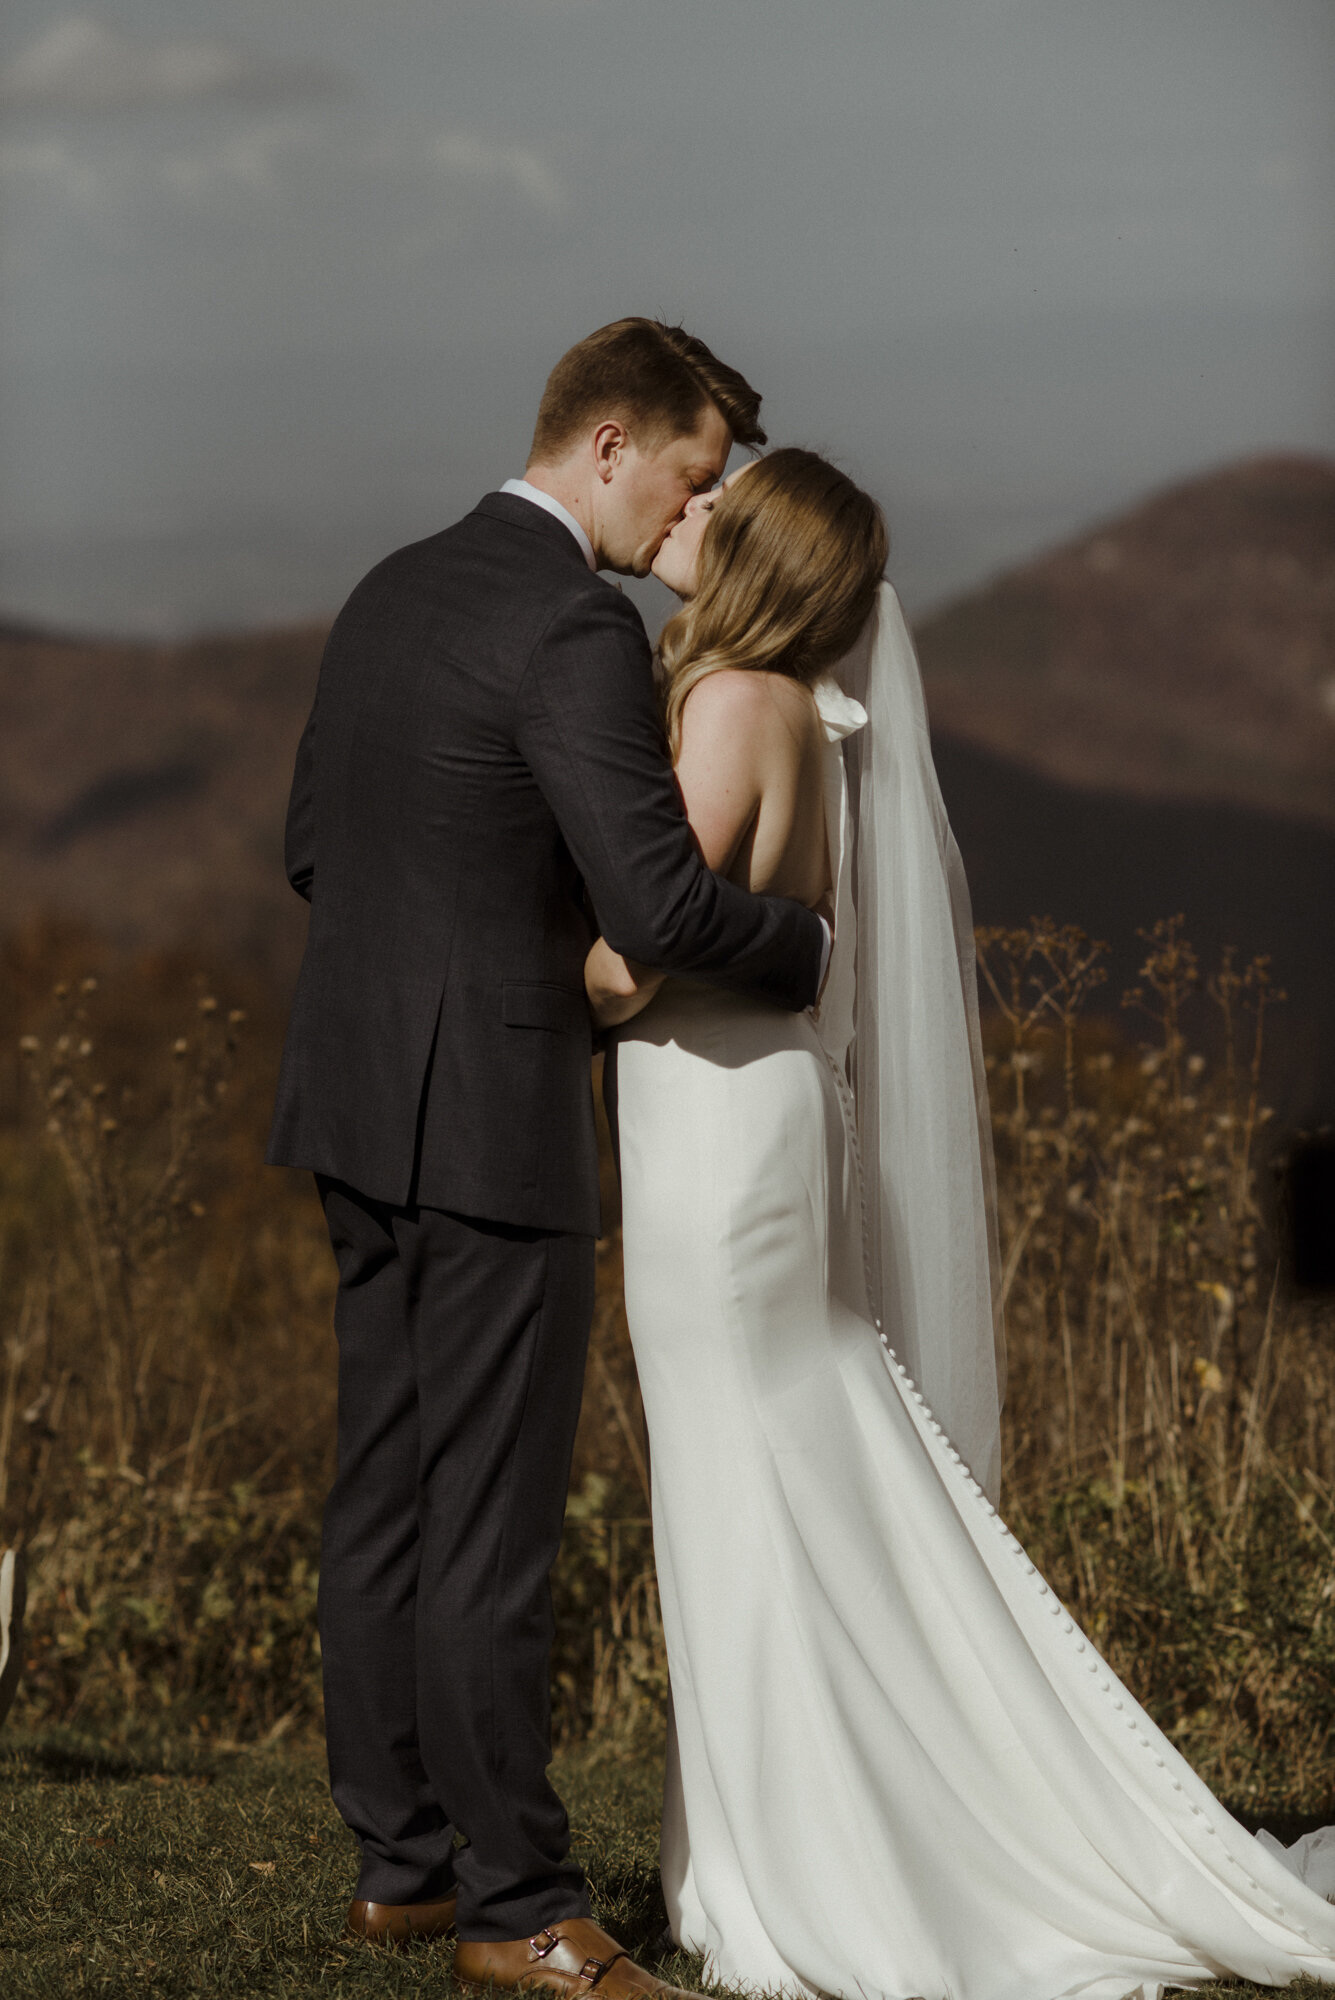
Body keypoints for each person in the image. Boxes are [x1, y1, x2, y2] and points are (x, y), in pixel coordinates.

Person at [587, 447, 1335, 2000]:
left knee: (751, 1480)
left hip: (715, 1141)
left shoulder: (733, 706)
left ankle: (803, 1860)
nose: (689, 519)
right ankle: (803, 1830)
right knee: (793, 1470)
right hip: (754, 1117)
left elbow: (629, 962)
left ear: (759, 563)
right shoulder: (810, 711)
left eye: (718, 512)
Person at [267, 321, 829, 1993]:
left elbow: (313, 847)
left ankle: (402, 1868)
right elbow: (656, 905)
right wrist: (801, 943)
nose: (700, 514)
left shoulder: (392, 584)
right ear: (607, 442)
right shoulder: (574, 624)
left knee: (386, 1491)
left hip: (350, 1100)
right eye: (692, 473)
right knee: (494, 1523)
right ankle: (522, 1908)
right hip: (487, 1121)